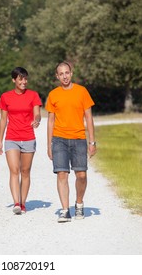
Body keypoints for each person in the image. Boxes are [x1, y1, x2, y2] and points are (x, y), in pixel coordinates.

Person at [45, 61, 96, 223]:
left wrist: (92, 142)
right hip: (59, 139)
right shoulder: (53, 94)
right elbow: (50, 121)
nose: (64, 76)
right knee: (62, 174)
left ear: (71, 73)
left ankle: (79, 204)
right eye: (61, 74)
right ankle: (65, 210)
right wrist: (49, 145)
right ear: (57, 76)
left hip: (79, 138)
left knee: (81, 175)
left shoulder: (82, 92)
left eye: (67, 73)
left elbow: (88, 117)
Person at [0, 67, 42, 214]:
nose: (24, 82)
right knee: (14, 170)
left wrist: (37, 120)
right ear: (14, 80)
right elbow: (3, 120)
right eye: (21, 79)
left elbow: (37, 113)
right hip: (12, 138)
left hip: (28, 137)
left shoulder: (33, 95)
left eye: (25, 79)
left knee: (25, 171)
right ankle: (16, 203)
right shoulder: (5, 97)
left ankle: (23, 202)